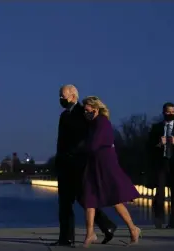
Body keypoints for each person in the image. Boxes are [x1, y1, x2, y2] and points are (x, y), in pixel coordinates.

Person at [50, 85, 117, 247]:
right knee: (69, 201)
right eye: (60, 96)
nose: (61, 99)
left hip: (78, 163)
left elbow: (88, 136)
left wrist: (75, 153)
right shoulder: (64, 115)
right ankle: (71, 236)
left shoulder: (83, 113)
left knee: (81, 199)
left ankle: (104, 226)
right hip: (66, 164)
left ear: (73, 96)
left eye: (63, 96)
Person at [79, 96, 141, 247]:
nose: (85, 111)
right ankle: (89, 234)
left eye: (86, 109)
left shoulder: (102, 122)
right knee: (89, 198)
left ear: (95, 108)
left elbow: (93, 145)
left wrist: (82, 148)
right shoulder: (93, 124)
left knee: (115, 198)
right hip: (94, 163)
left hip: (105, 163)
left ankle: (133, 229)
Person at [147, 102, 174, 229]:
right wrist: (159, 143)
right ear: (163, 112)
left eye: (173, 112)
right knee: (159, 192)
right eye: (168, 112)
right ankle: (158, 220)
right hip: (161, 162)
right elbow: (148, 146)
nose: (170, 114)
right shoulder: (156, 127)